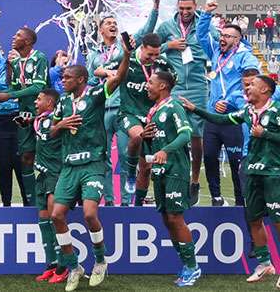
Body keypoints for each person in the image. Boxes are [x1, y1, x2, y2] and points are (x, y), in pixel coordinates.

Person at [180, 75, 280, 286]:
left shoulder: (277, 111)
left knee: (278, 220)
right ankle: (265, 264)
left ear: (265, 91)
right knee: (253, 219)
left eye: (252, 85)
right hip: (252, 171)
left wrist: (266, 134)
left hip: (273, 173)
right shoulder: (247, 112)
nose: (248, 87)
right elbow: (221, 119)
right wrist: (195, 109)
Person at [50, 35, 131, 292]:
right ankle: (74, 266)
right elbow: (51, 131)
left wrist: (127, 54)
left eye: (67, 78)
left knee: (88, 213)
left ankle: (100, 260)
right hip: (69, 166)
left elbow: (116, 78)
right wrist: (60, 125)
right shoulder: (62, 102)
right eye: (62, 78)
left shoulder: (96, 94)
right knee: (57, 215)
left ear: (81, 80)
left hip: (93, 163)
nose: (63, 81)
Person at [85, 0, 160, 206]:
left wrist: (154, 7)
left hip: (123, 108)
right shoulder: (93, 53)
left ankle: (126, 201)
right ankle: (109, 200)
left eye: (114, 22)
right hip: (101, 110)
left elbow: (148, 29)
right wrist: (108, 73)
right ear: (100, 29)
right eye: (107, 22)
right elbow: (92, 75)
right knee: (104, 158)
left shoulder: (125, 49)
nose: (113, 25)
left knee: (130, 155)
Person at [96, 33, 173, 206]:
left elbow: (173, 80)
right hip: (129, 113)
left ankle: (137, 205)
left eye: (156, 54)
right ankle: (131, 173)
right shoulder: (127, 60)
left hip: (151, 116)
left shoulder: (162, 64)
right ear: (142, 48)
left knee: (146, 167)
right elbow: (97, 70)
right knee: (138, 135)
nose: (153, 58)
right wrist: (110, 72)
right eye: (150, 54)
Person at [141, 71, 201, 286]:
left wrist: (165, 150)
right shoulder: (153, 111)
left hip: (176, 169)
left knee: (175, 217)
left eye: (151, 82)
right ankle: (186, 263)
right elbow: (153, 144)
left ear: (163, 86)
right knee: (167, 219)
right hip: (160, 171)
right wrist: (145, 138)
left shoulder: (173, 106)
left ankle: (192, 267)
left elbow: (185, 134)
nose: (147, 85)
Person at [198, 0, 259, 206]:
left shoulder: (246, 57)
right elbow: (200, 35)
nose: (222, 39)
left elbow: (252, 83)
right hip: (214, 116)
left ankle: (241, 202)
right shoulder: (216, 52)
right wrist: (206, 14)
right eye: (222, 35)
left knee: (235, 162)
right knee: (209, 157)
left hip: (234, 117)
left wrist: (231, 102)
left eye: (227, 36)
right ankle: (216, 197)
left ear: (238, 39)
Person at [155, 0, 207, 205]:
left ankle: (194, 180)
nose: (185, 12)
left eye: (189, 8)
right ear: (177, 7)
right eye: (182, 8)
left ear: (195, 7)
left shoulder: (204, 24)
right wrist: (170, 46)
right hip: (175, 87)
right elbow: (153, 49)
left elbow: (212, 46)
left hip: (197, 85)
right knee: (174, 132)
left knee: (196, 136)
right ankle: (175, 176)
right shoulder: (167, 27)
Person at [0, 26, 47, 206]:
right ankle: (31, 201)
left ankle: (49, 196)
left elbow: (38, 88)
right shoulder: (16, 64)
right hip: (23, 117)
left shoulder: (39, 58)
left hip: (42, 116)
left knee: (45, 156)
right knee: (25, 156)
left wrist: (8, 95)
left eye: (18, 35)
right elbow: (16, 89)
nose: (13, 37)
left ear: (28, 41)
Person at [0, 16, 26, 207]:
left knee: (22, 163)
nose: (11, 54)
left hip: (20, 120)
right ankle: (6, 204)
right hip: (0, 121)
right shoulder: (1, 66)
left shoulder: (29, 68)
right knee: (5, 164)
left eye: (16, 54)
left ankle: (28, 202)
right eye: (10, 53)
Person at [29, 89, 66, 284]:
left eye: (38, 98)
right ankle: (50, 265)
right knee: (43, 223)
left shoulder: (57, 120)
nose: (35, 102)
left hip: (55, 175)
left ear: (50, 102)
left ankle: (63, 265)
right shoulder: (41, 120)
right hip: (41, 176)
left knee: (54, 220)